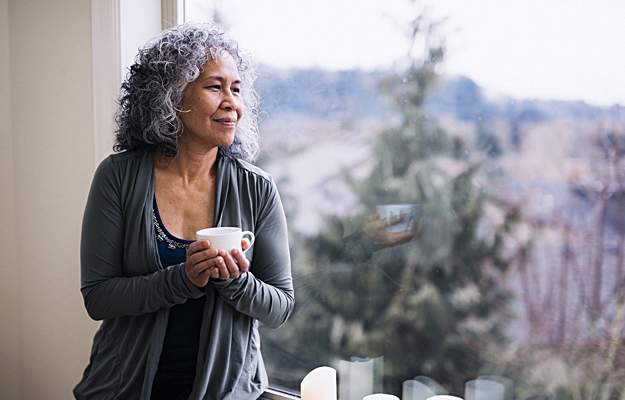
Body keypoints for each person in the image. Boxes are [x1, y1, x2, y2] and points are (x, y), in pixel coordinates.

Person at [74, 23, 294, 400]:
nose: (232, 103)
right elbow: (98, 297)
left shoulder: (257, 189)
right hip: (120, 390)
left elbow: (280, 306)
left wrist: (234, 280)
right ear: (171, 96)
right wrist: (183, 280)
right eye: (215, 86)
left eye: (236, 89)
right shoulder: (118, 177)